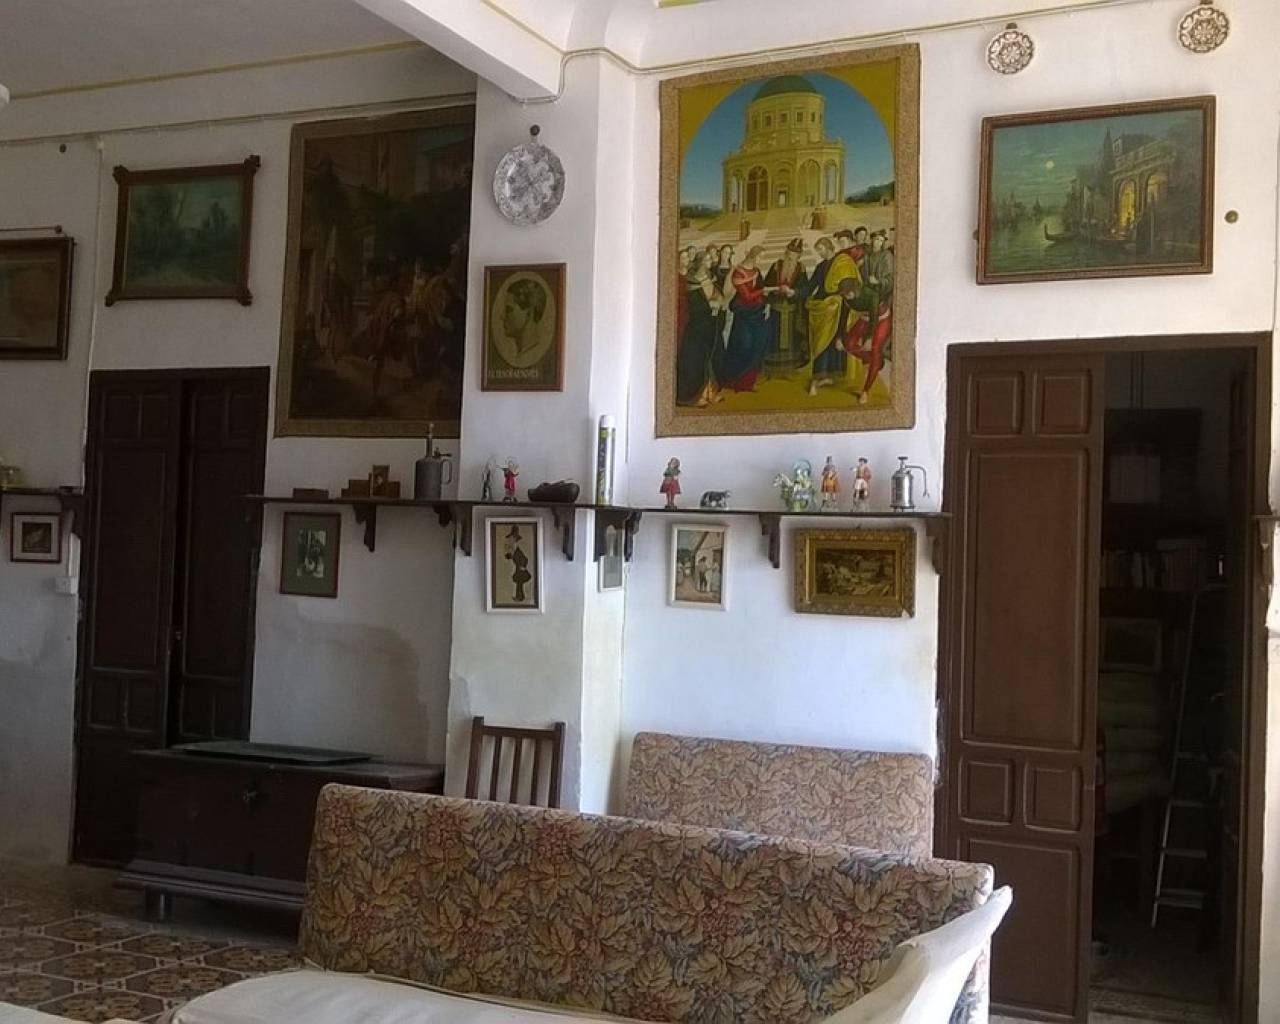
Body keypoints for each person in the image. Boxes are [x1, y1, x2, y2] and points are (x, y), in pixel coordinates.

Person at [804, 236, 861, 395]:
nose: (820, 253)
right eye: (818, 251)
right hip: (824, 309)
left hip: (841, 307)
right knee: (821, 343)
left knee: (837, 341)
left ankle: (831, 375)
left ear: (828, 247)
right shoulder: (820, 266)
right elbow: (810, 287)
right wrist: (795, 292)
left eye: (821, 250)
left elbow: (853, 285)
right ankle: (818, 378)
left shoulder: (843, 262)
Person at [713, 245, 772, 392]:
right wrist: (763, 291)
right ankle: (734, 380)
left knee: (757, 345)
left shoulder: (756, 271)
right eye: (760, 257)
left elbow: (760, 289)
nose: (761, 260)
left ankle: (748, 382)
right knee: (744, 346)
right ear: (753, 255)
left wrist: (766, 302)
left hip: (757, 313)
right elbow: (747, 296)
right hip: (744, 315)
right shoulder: (738, 273)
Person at [846, 230, 894, 404]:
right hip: (866, 313)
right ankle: (876, 362)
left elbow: (890, 281)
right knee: (849, 344)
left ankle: (866, 390)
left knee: (874, 348)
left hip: (880, 313)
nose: (877, 243)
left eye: (881, 240)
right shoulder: (865, 257)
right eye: (875, 239)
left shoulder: (887, 257)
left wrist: (878, 282)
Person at [675, 253, 722, 406]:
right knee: (696, 361)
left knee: (708, 358)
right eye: (707, 259)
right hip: (696, 327)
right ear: (700, 263)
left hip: (708, 323)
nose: (711, 261)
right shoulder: (691, 281)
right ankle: (696, 396)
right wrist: (710, 306)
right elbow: (694, 305)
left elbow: (717, 294)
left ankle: (710, 392)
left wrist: (717, 301)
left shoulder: (709, 278)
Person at [764, 238, 810, 368]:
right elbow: (767, 284)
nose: (791, 257)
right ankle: (773, 364)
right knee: (775, 335)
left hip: (792, 309)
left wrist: (794, 292)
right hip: (776, 308)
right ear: (786, 252)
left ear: (798, 256)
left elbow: (805, 288)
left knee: (793, 338)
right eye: (789, 253)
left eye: (794, 254)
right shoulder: (776, 265)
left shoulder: (801, 268)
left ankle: (791, 363)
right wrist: (775, 290)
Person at [500, 278, 548, 359]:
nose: (502, 316)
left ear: (529, 314)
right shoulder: (520, 356)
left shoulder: (534, 354)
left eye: (509, 310)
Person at [504, 526, 533, 603]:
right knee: (519, 582)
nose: (511, 540)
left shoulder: (519, 547)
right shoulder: (514, 548)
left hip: (520, 566)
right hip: (518, 566)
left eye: (513, 538)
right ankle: (520, 597)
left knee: (519, 582)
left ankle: (520, 597)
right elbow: (510, 555)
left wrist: (522, 566)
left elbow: (525, 558)